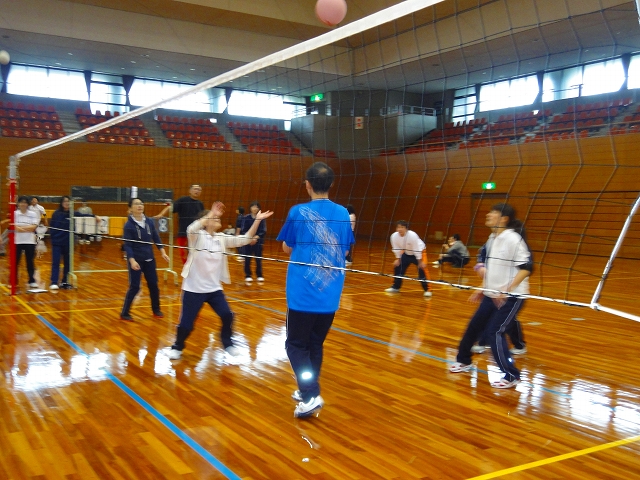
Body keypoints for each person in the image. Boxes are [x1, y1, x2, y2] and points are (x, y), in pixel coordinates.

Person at [277, 162, 354, 418]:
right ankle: (306, 389)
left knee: (295, 345)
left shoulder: (298, 211)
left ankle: (310, 394)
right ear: (331, 184)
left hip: (302, 294)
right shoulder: (343, 214)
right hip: (330, 293)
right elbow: (345, 249)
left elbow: (287, 247)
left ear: (307, 184)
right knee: (314, 344)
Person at [167, 201, 273, 360]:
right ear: (206, 221)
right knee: (186, 325)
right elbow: (190, 229)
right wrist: (212, 213)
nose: (218, 218)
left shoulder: (221, 238)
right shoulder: (197, 237)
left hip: (213, 289)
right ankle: (177, 346)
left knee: (227, 315)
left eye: (217, 216)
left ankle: (227, 343)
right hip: (193, 289)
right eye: (214, 218)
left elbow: (245, 239)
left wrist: (257, 220)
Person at [449, 203, 532, 389]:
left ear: (504, 219)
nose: (488, 215)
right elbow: (494, 269)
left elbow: (526, 268)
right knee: (474, 326)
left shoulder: (513, 239)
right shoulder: (493, 237)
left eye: (493, 213)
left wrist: (506, 289)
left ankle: (511, 375)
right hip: (491, 294)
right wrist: (483, 287)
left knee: (495, 332)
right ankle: (464, 360)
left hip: (512, 296)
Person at [120, 198, 170, 321]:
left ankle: (156, 310)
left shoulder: (149, 221)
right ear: (130, 208)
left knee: (153, 285)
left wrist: (162, 251)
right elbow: (128, 245)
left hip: (149, 259)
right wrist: (132, 260)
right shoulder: (128, 225)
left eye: (141, 203)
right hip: (136, 259)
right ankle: (124, 313)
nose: (140, 206)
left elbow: (156, 237)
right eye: (136, 204)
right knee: (135, 286)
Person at [155, 185, 204, 265]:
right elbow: (170, 207)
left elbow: (203, 218)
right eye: (195, 189)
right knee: (184, 255)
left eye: (199, 190)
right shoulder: (183, 200)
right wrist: (161, 214)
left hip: (197, 234)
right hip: (183, 232)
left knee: (196, 255)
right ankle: (187, 269)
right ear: (190, 191)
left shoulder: (200, 204)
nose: (197, 191)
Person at [385, 220, 431, 297]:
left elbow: (416, 248)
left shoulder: (412, 235)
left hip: (419, 252)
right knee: (397, 266)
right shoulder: (394, 236)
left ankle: (427, 290)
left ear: (406, 229)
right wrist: (398, 259)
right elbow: (396, 248)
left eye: (402, 227)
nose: (400, 229)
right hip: (406, 252)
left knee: (422, 269)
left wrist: (420, 262)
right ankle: (395, 287)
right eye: (398, 227)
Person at [13, 195, 40, 288]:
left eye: (25, 202)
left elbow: (34, 227)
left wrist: (21, 228)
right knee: (15, 262)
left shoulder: (33, 213)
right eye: (21, 202)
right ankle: (13, 281)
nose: (23, 204)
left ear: (28, 204)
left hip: (30, 241)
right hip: (17, 241)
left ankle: (32, 280)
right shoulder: (14, 214)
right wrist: (26, 228)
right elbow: (14, 227)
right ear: (18, 204)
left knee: (30, 262)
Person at [49, 196, 73, 290]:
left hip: (68, 243)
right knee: (56, 262)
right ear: (61, 203)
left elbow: (83, 215)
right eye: (65, 201)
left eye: (68, 201)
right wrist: (54, 238)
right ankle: (54, 282)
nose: (67, 203)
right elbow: (52, 227)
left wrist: (95, 216)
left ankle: (65, 281)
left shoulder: (72, 213)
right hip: (57, 243)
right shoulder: (56, 214)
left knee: (68, 263)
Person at [238, 201, 266, 282]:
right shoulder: (246, 218)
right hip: (248, 242)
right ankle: (248, 275)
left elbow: (263, 230)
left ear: (259, 208)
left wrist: (256, 237)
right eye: (253, 206)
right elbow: (243, 230)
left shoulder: (262, 218)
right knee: (247, 259)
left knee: (258, 259)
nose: (255, 208)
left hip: (258, 242)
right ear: (250, 208)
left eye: (257, 207)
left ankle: (259, 275)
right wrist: (249, 238)